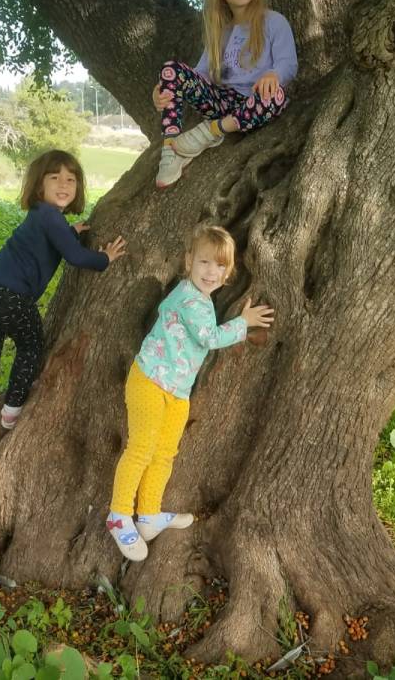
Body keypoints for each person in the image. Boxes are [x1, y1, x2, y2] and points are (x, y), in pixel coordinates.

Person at [0, 150, 127, 478]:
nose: (64, 184)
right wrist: (105, 259)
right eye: (54, 177)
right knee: (30, 348)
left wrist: (73, 231)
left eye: (71, 179)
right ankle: (12, 411)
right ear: (38, 185)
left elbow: (49, 243)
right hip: (12, 298)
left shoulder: (44, 217)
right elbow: (75, 257)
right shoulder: (49, 215)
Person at [106, 225, 273, 560]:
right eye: (204, 263)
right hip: (150, 380)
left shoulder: (203, 300)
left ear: (229, 272)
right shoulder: (188, 298)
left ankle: (149, 514)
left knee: (165, 452)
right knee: (141, 448)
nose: (212, 272)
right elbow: (210, 338)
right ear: (189, 262)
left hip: (177, 390)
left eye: (220, 266)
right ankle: (119, 515)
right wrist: (244, 321)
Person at [153, 0, 299, 188]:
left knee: (276, 96)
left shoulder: (273, 21)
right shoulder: (221, 33)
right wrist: (164, 89)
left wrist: (274, 73)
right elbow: (200, 75)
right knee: (171, 70)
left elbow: (288, 63)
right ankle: (170, 149)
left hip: (256, 102)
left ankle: (211, 132)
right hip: (221, 102)